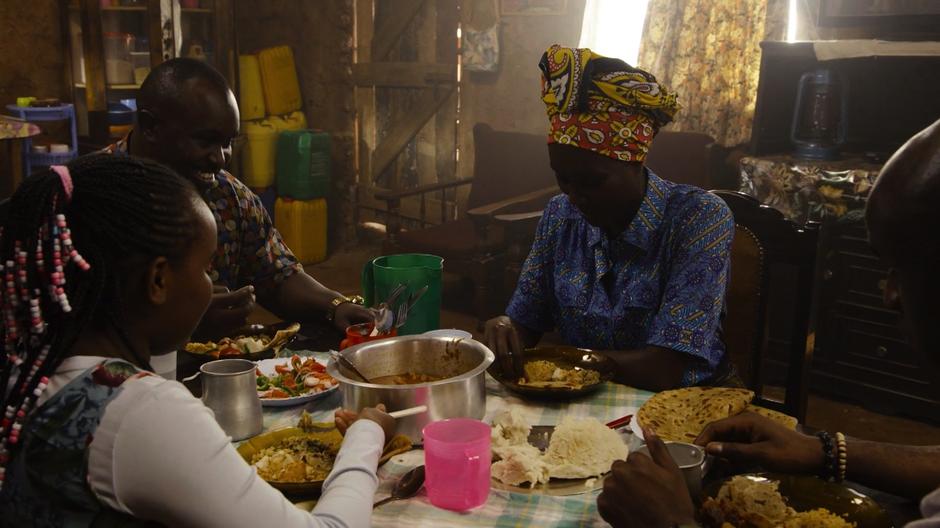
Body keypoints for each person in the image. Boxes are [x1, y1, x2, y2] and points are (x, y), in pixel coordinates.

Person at [0, 155, 392, 527]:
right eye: (205, 269)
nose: (212, 286)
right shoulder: (138, 411)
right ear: (158, 281)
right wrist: (367, 434)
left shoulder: (29, 365)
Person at [596, 118, 940, 527]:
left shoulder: (698, 215)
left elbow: (671, 360)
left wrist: (673, 522)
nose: (890, 295)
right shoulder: (563, 215)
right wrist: (823, 450)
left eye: (905, 267)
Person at [484, 45, 735, 391]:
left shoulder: (698, 219)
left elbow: (665, 368)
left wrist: (564, 363)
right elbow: (526, 320)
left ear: (635, 162)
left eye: (591, 181)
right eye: (562, 178)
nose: (574, 196)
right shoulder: (560, 216)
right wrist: (505, 329)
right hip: (583, 399)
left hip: (681, 406)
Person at [104, 58, 372, 345]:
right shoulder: (87, 198)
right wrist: (180, 319)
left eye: (228, 142)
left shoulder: (228, 198)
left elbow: (276, 273)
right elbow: (68, 322)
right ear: (150, 126)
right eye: (205, 141)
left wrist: (334, 306)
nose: (219, 158)